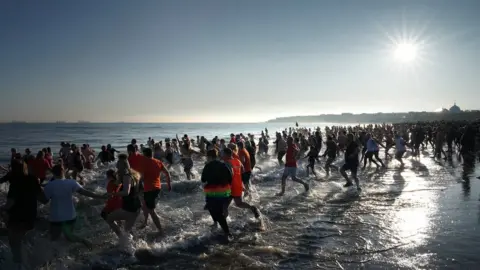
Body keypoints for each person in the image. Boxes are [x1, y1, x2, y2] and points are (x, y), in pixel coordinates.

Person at [43, 164, 107, 248]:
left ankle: (56, 256)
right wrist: (100, 196)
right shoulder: (71, 182)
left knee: (54, 238)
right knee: (69, 237)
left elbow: (44, 200)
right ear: (64, 172)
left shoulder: (49, 186)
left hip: (56, 217)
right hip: (70, 216)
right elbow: (85, 192)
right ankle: (83, 241)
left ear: (53, 173)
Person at [0, 159, 48, 266]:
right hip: (30, 216)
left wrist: (1, 208)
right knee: (21, 234)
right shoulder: (33, 179)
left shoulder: (15, 184)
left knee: (14, 244)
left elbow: (9, 205)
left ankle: (19, 264)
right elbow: (44, 200)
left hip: (17, 219)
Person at [105, 154, 143, 238]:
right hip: (136, 207)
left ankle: (121, 239)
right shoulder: (135, 174)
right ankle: (137, 245)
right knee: (127, 231)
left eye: (118, 164)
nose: (117, 166)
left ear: (122, 165)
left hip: (130, 208)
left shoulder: (126, 176)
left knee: (109, 219)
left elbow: (126, 192)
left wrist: (111, 194)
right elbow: (140, 190)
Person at [201, 149, 233, 241]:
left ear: (210, 157)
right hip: (224, 192)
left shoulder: (207, 166)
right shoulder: (223, 164)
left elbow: (203, 179)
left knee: (216, 211)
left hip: (212, 192)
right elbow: (230, 177)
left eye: (207, 156)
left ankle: (227, 233)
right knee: (212, 208)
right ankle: (216, 223)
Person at [139, 148, 171, 233]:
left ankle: (160, 230)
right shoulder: (158, 162)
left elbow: (142, 178)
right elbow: (167, 173)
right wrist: (169, 184)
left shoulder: (144, 163)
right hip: (157, 188)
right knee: (145, 205)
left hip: (149, 189)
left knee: (151, 211)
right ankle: (145, 222)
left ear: (145, 154)